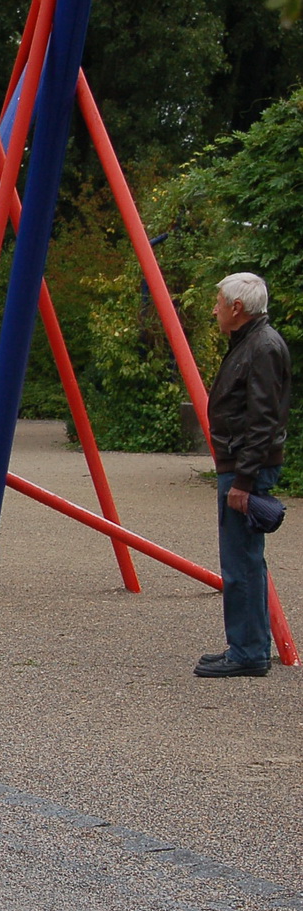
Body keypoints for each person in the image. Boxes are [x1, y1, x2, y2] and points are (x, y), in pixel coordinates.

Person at [195, 272, 293, 677]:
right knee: (243, 560)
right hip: (241, 464)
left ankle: (249, 651)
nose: (214, 308)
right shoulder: (253, 343)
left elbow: (263, 419)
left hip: (244, 467)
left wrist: (244, 482)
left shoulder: (261, 347)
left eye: (219, 302)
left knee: (242, 562)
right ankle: (245, 644)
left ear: (237, 308)